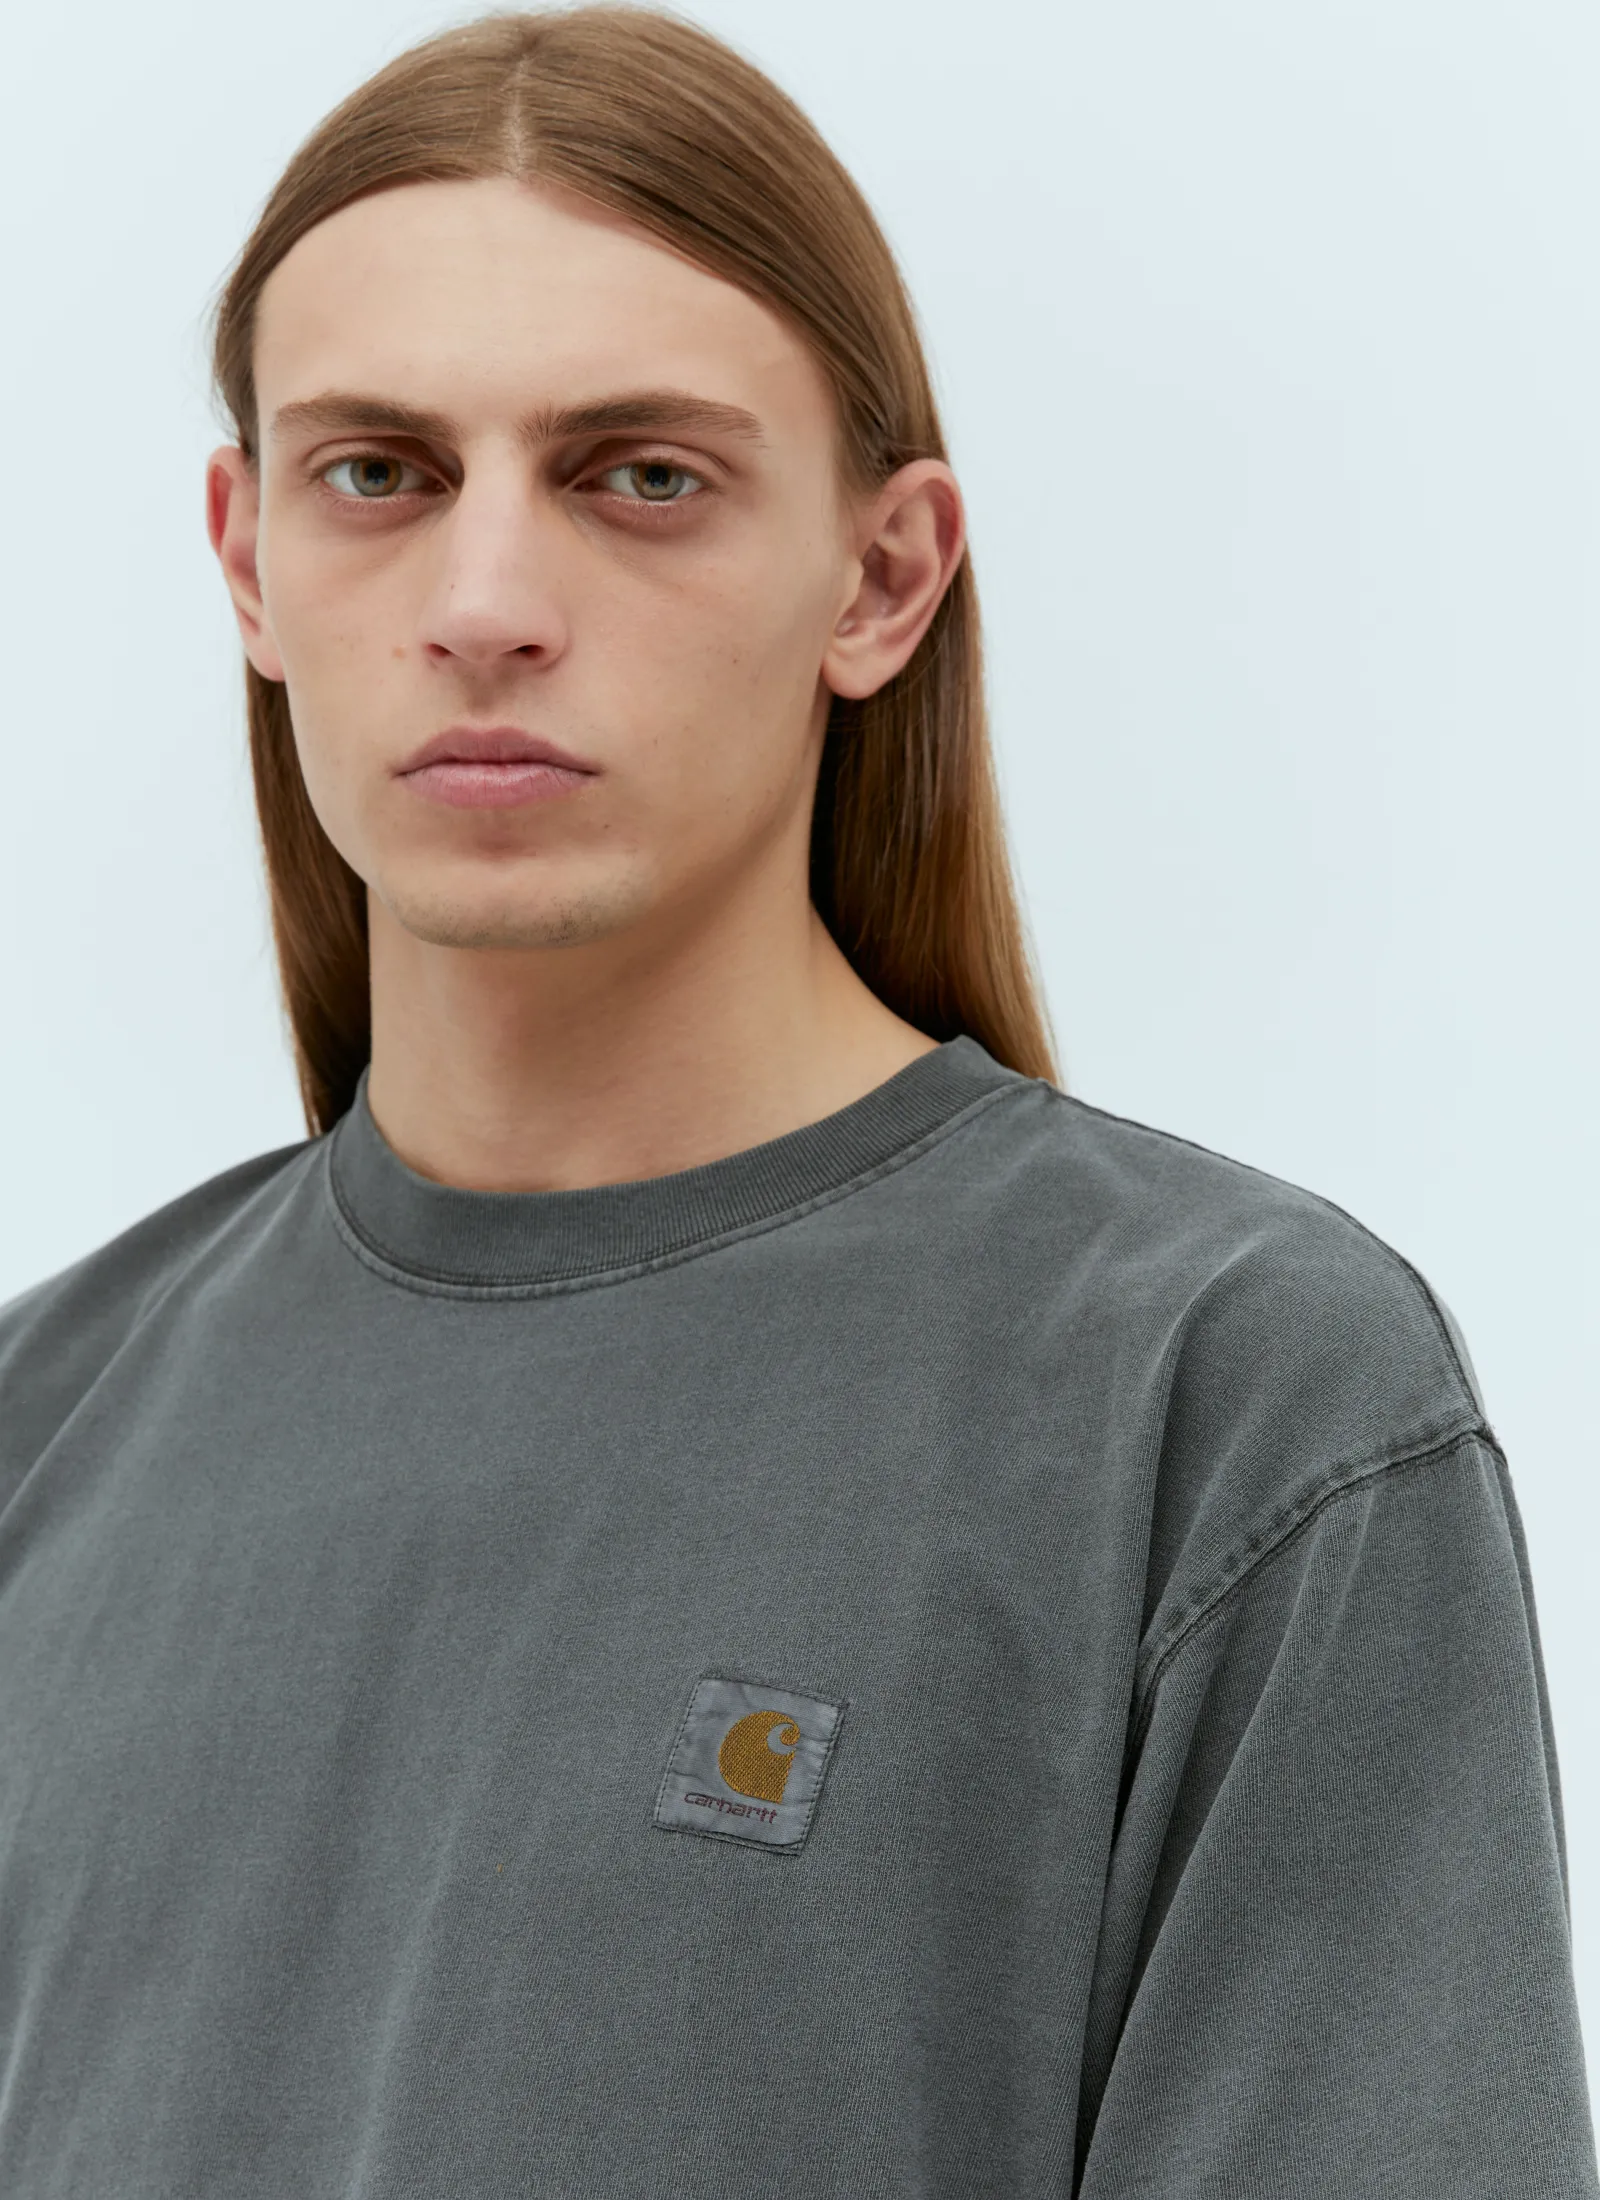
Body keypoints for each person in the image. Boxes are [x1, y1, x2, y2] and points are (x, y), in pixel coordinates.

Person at [0, 8, 1593, 2194]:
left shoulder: (1221, 1396)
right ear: (249, 557)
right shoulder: (45, 1426)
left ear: (881, 576)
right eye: (377, 473)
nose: (485, 604)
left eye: (639, 476)